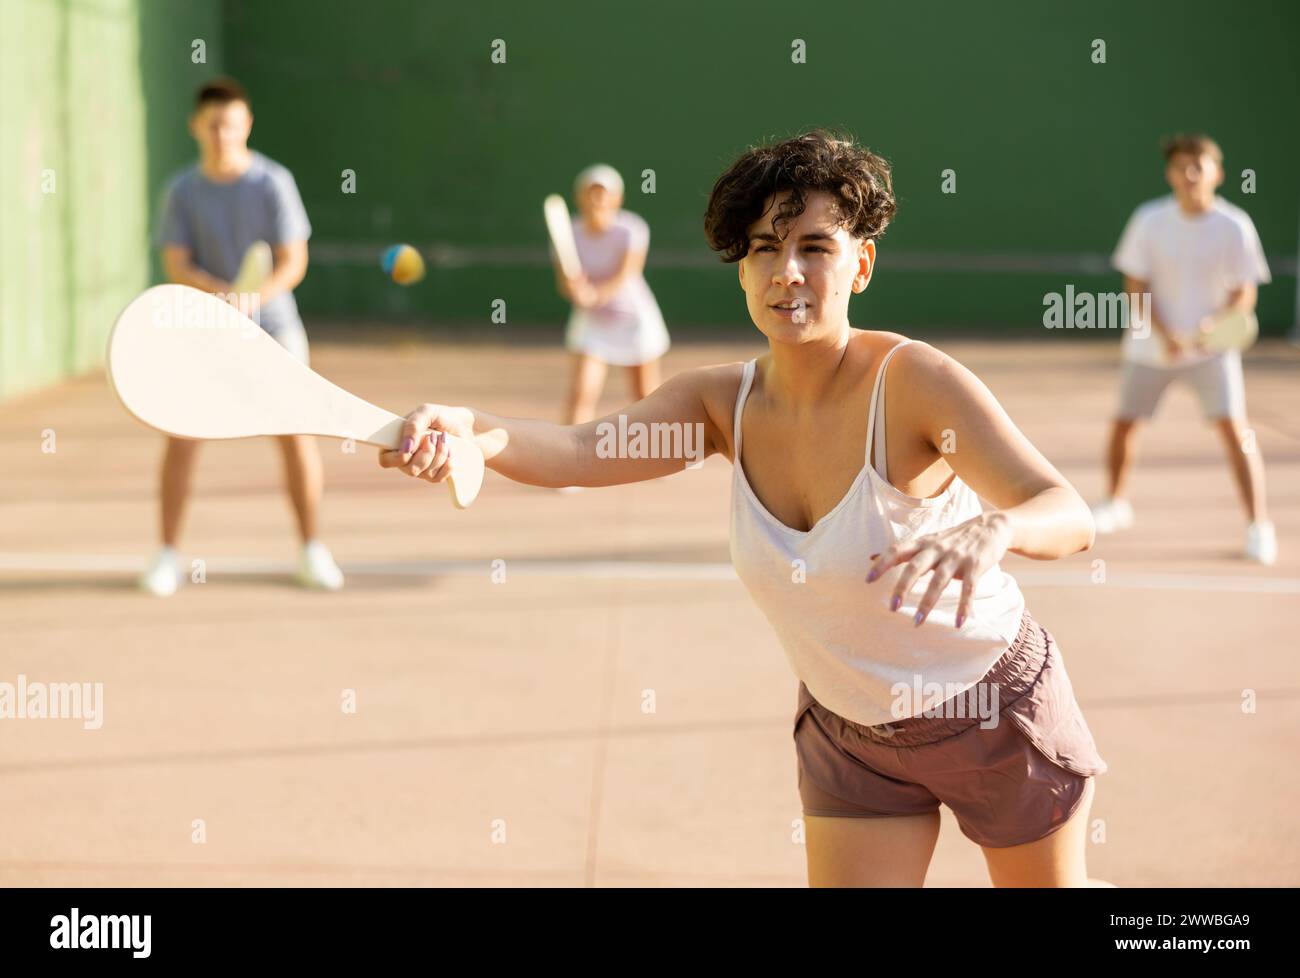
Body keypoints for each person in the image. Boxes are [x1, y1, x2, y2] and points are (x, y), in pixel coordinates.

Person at [381, 130, 1112, 887]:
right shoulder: (717, 404)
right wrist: (468, 428)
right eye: (764, 248)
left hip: (989, 708)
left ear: (860, 265)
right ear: (742, 270)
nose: (786, 272)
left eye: (815, 248)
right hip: (849, 733)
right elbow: (574, 450)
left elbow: (1068, 513)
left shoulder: (914, 383)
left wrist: (999, 526)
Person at [139, 77, 344, 596]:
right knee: (182, 437)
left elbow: (293, 260)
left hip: (272, 326)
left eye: (230, 124)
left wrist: (256, 296)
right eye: (212, 124)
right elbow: (175, 263)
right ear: (196, 127)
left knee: (295, 435)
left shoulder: (273, 182)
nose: (221, 133)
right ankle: (166, 556)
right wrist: (219, 292)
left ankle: (311, 549)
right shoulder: (182, 191)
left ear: (246, 125)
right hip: (204, 328)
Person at [1091, 134, 1276, 564]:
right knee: (1125, 423)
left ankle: (1258, 527)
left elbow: (1244, 291)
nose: (1190, 174)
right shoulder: (1149, 220)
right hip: (1149, 347)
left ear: (1217, 173)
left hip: (1213, 353)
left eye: (1199, 166)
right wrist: (1165, 333)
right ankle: (1116, 503)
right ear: (1170, 173)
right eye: (1181, 167)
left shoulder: (1235, 225)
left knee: (1236, 431)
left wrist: (1219, 326)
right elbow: (1135, 284)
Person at [554, 164, 671, 434]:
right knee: (582, 392)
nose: (598, 199)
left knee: (646, 396)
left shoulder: (633, 229)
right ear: (580, 197)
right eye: (591, 193)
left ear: (617, 198)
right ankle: (567, 461)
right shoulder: (567, 232)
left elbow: (627, 274)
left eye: (604, 193)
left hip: (634, 320)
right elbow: (564, 282)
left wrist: (594, 294)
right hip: (592, 323)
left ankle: (659, 455)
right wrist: (574, 290)